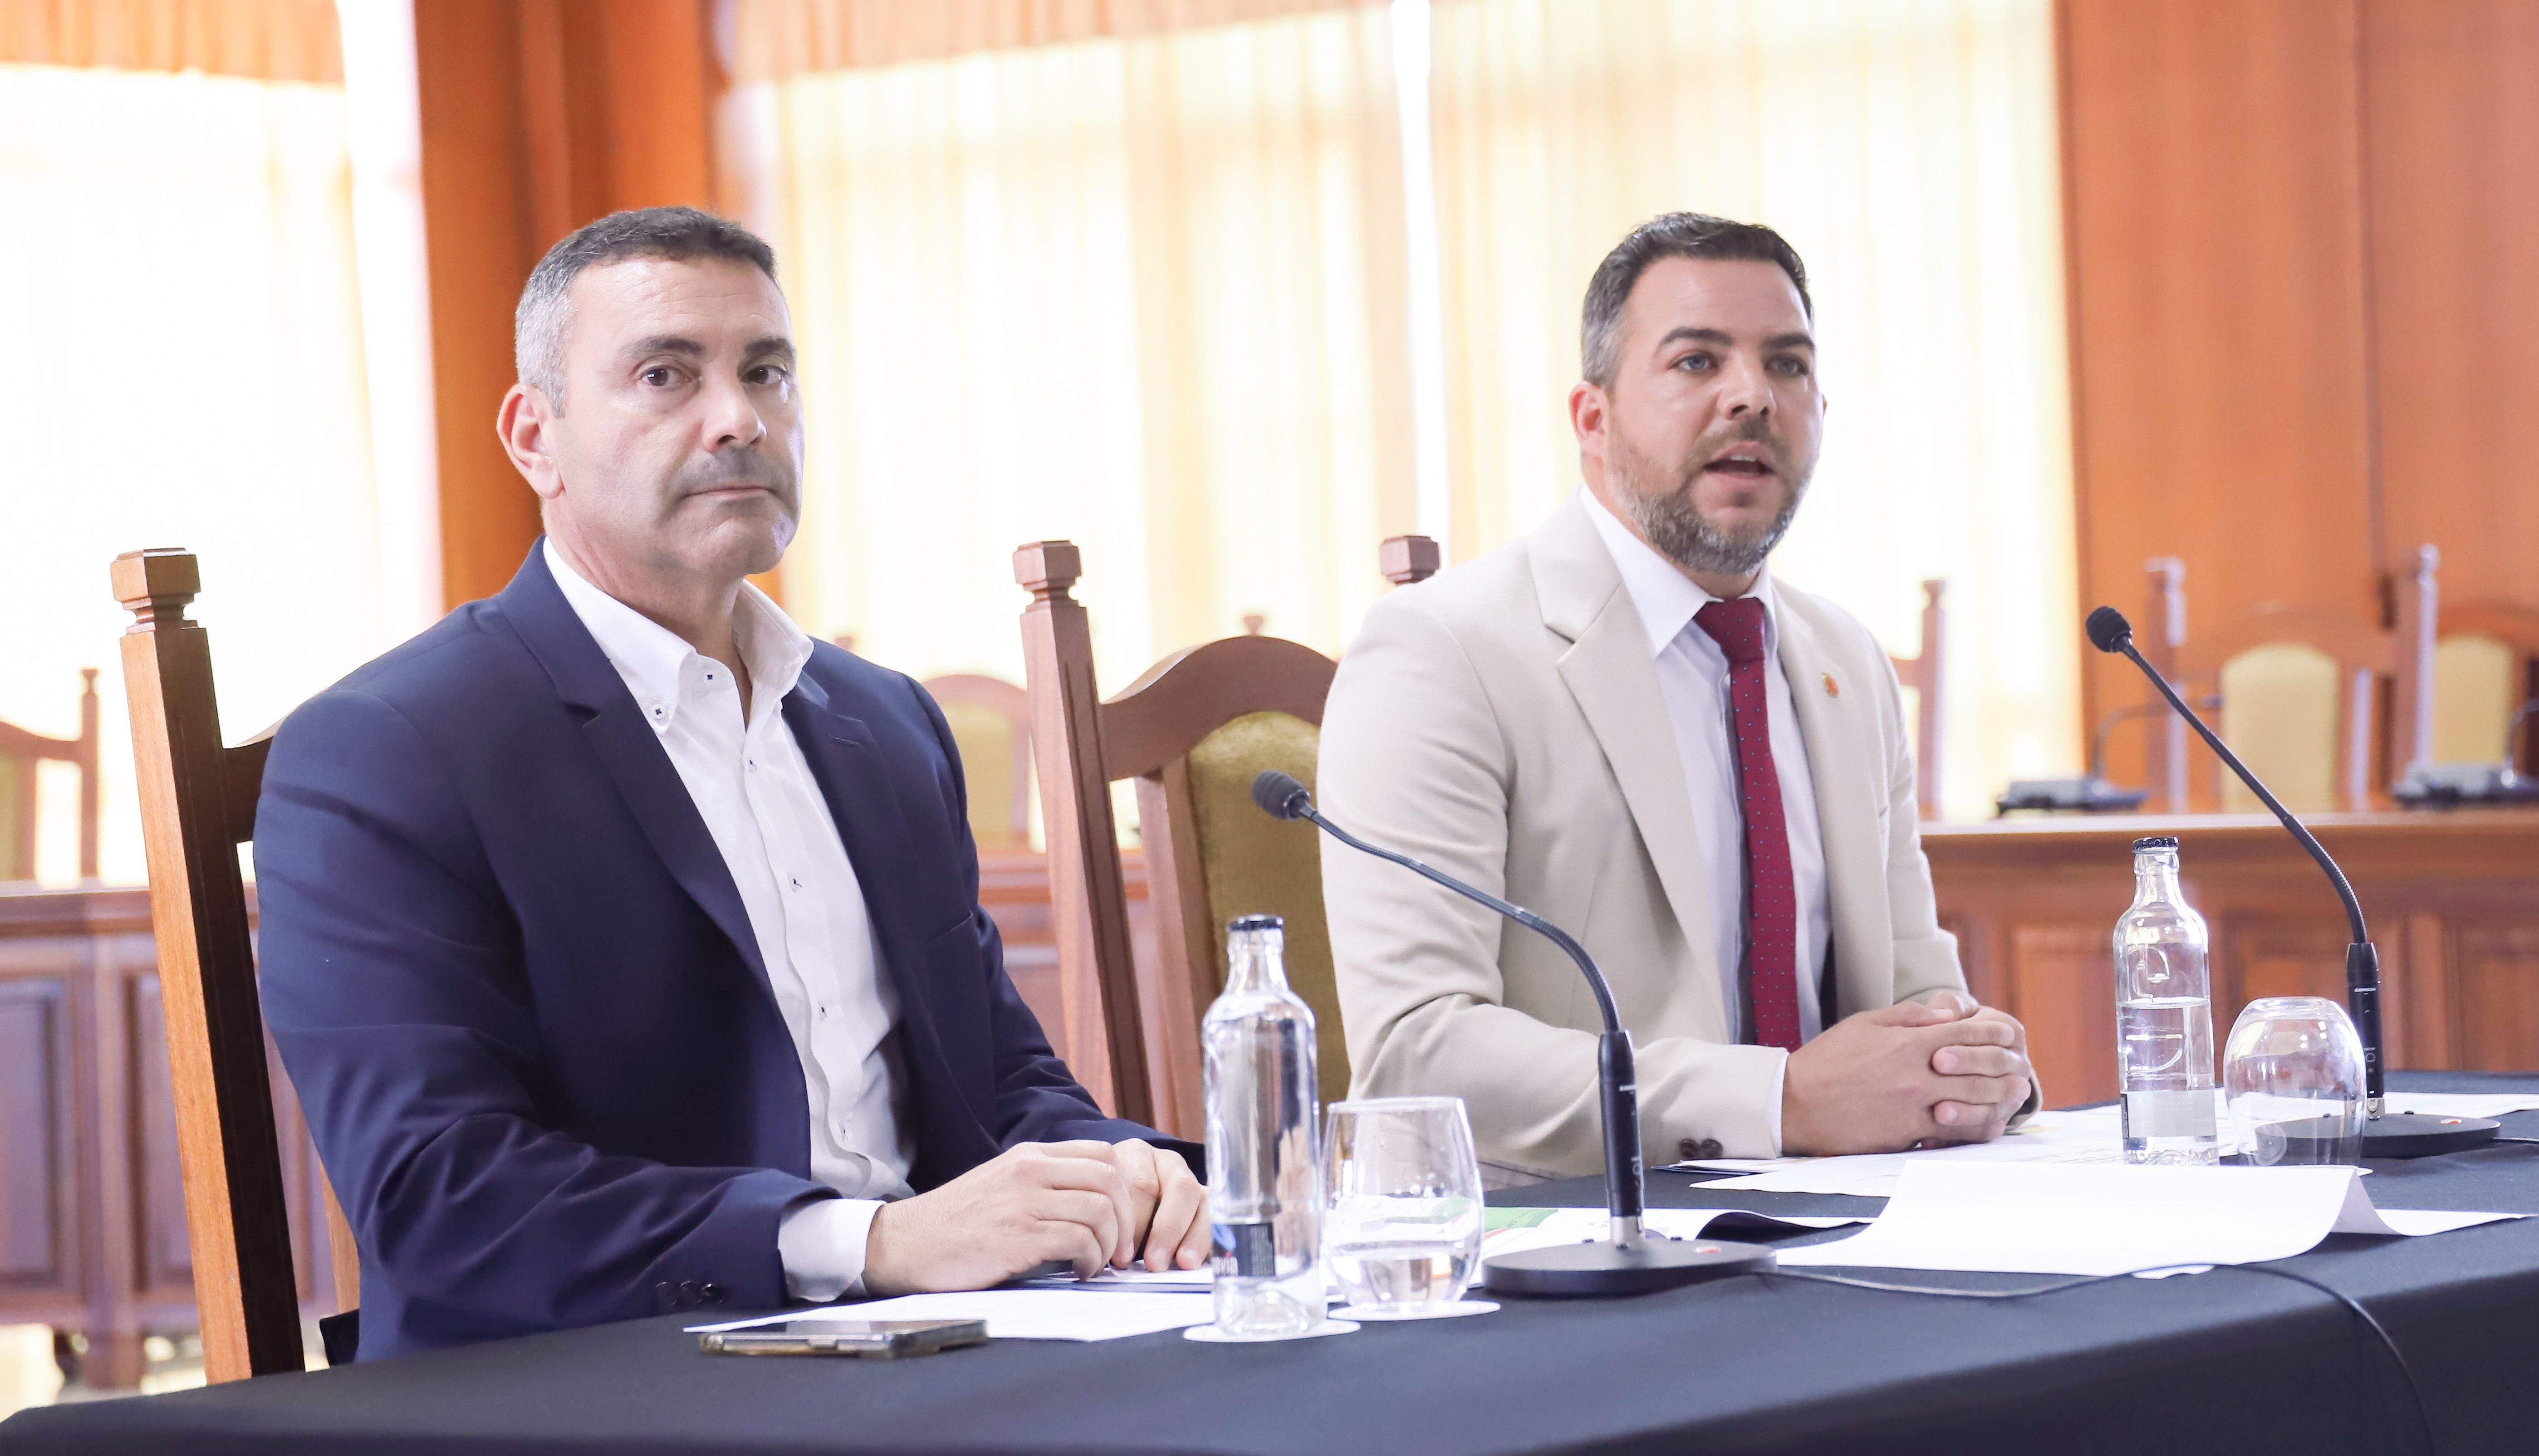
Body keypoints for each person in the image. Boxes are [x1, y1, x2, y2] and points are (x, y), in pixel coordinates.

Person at [255, 207, 1206, 1360]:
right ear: (533, 437)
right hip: (590, 1387)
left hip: (938, 1351)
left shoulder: (884, 722)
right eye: (665, 375)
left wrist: (1126, 1177)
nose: (739, 419)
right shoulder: (386, 747)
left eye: (767, 371)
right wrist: (872, 1243)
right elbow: (440, 1193)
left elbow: (996, 1083)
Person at [1318, 212, 2038, 1181]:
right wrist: (1778, 1102)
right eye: (1697, 362)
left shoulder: (1844, 661)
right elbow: (1417, 1051)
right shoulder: (1441, 651)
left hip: (1856, 1232)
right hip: (1564, 1255)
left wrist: (1976, 1066)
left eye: (1786, 365)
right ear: (1592, 417)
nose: (1751, 397)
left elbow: (1917, 986)